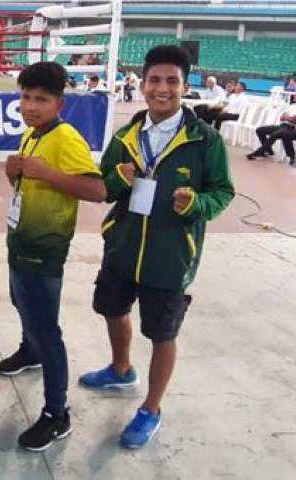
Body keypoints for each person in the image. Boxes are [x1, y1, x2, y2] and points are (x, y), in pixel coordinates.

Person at [78, 45, 234, 449]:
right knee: (112, 309)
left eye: (172, 81)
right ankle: (121, 368)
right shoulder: (126, 135)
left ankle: (151, 408)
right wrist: (119, 177)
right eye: (155, 81)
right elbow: (105, 187)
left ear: (184, 86)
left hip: (170, 256)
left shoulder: (205, 140)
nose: (162, 89)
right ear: (143, 85)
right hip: (123, 246)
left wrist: (197, 204)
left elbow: (223, 191)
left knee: (162, 333)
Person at [0, 62, 106, 452]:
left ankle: (57, 414)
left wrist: (45, 174)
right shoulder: (33, 136)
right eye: (26, 97)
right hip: (21, 243)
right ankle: (29, 351)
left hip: (45, 250)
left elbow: (97, 190)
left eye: (41, 99)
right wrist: (17, 174)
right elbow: (32, 182)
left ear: (59, 103)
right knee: (21, 304)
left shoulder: (66, 138)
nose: (30, 106)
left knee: (48, 329)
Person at [246, 91, 296, 167]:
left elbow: (294, 120)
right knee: (260, 130)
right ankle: (268, 150)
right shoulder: (292, 106)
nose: (295, 97)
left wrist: (287, 117)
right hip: (282, 125)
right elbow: (282, 117)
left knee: (274, 135)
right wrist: (287, 117)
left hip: (291, 128)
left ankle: (258, 153)